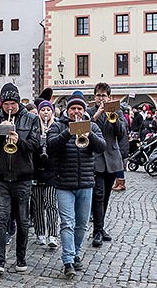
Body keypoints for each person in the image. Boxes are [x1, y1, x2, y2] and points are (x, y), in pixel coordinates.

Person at [46, 92, 106, 277]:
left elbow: (101, 147)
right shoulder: (57, 126)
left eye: (80, 109)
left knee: (81, 225)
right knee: (67, 223)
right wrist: (69, 131)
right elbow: (51, 145)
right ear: (67, 110)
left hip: (86, 182)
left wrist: (88, 134)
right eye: (73, 108)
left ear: (84, 110)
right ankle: (68, 260)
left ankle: (77, 252)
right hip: (64, 183)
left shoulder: (93, 127)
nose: (76, 112)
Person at [0, 83, 40, 275]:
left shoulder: (31, 119)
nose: (9, 108)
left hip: (23, 176)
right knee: (2, 218)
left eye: (12, 104)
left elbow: (35, 145)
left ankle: (21, 258)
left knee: (23, 220)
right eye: (5, 104)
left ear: (18, 102)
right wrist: (2, 136)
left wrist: (19, 141)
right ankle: (0, 260)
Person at [88, 83, 127, 247]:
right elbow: (82, 128)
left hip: (111, 158)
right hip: (95, 159)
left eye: (103, 96)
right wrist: (96, 115)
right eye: (98, 95)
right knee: (98, 194)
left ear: (109, 97)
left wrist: (114, 117)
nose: (100, 98)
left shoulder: (117, 111)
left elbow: (122, 133)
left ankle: (100, 227)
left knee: (105, 197)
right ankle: (97, 231)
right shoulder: (90, 112)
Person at [32, 100, 59, 248]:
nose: (46, 112)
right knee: (37, 204)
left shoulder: (57, 126)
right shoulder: (35, 127)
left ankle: (53, 234)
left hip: (51, 171)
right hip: (36, 171)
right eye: (43, 110)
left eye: (49, 110)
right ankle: (40, 233)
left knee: (50, 204)